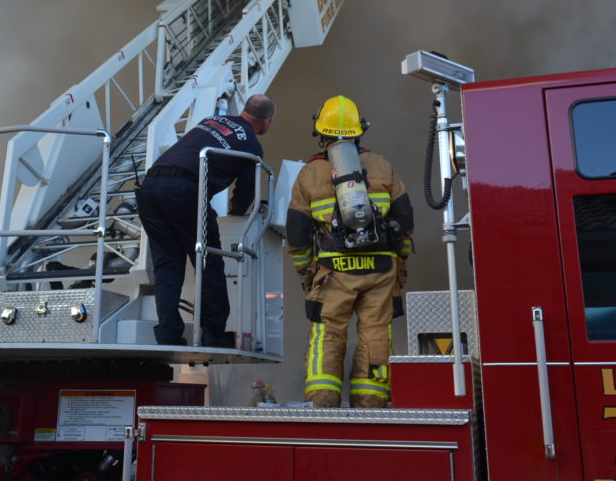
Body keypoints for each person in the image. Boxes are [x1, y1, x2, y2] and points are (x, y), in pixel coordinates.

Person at [285, 95, 413, 407]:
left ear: (321, 133)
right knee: (376, 334)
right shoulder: (382, 166)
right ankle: (371, 403)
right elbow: (406, 222)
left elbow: (297, 237)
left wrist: (308, 276)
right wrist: (399, 267)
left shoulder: (309, 174)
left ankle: (322, 402)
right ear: (360, 130)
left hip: (334, 271)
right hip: (381, 269)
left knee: (327, 335)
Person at [136, 94, 276, 347]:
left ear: (245, 110)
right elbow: (245, 193)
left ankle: (168, 334)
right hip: (184, 190)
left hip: (150, 187)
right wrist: (236, 212)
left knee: (167, 264)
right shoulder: (251, 146)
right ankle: (213, 334)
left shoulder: (211, 120)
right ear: (267, 120)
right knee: (208, 260)